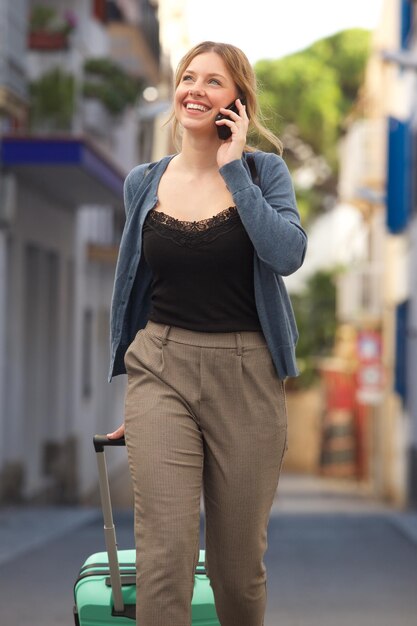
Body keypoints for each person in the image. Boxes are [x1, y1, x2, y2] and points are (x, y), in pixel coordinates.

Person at [107, 40, 307, 626]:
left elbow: (287, 253)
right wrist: (140, 401)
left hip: (247, 374)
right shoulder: (143, 181)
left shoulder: (263, 172)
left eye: (213, 81)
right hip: (161, 368)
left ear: (237, 102)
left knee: (236, 571)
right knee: (162, 561)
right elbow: (135, 287)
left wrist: (233, 172)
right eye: (188, 77)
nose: (195, 89)